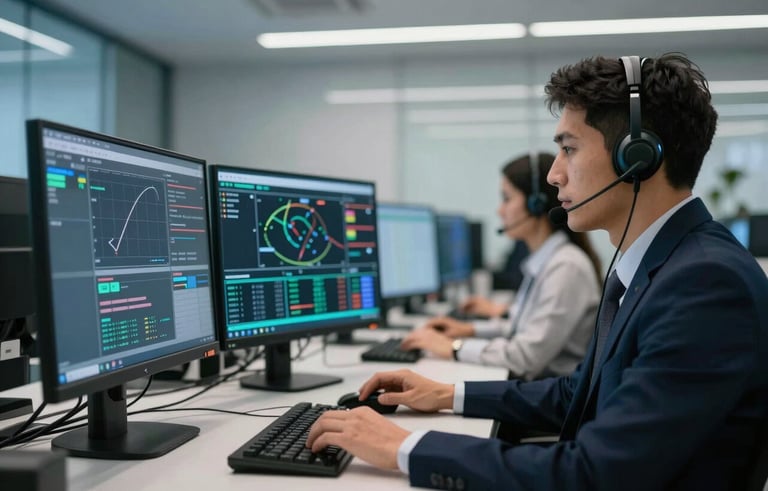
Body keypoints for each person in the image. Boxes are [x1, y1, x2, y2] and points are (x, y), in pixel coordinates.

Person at [306, 53, 768, 489]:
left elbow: (594, 475)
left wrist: (404, 446)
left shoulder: (705, 285)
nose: (554, 176)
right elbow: (577, 395)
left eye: (569, 148)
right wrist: (447, 394)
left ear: (637, 158)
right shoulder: (665, 263)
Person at [401, 152, 601, 381]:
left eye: (506, 198)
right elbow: (522, 328)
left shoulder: (566, 268)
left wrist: (453, 347)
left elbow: (525, 359)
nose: (500, 210)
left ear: (536, 205)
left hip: (546, 400)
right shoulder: (548, 261)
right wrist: (470, 331)